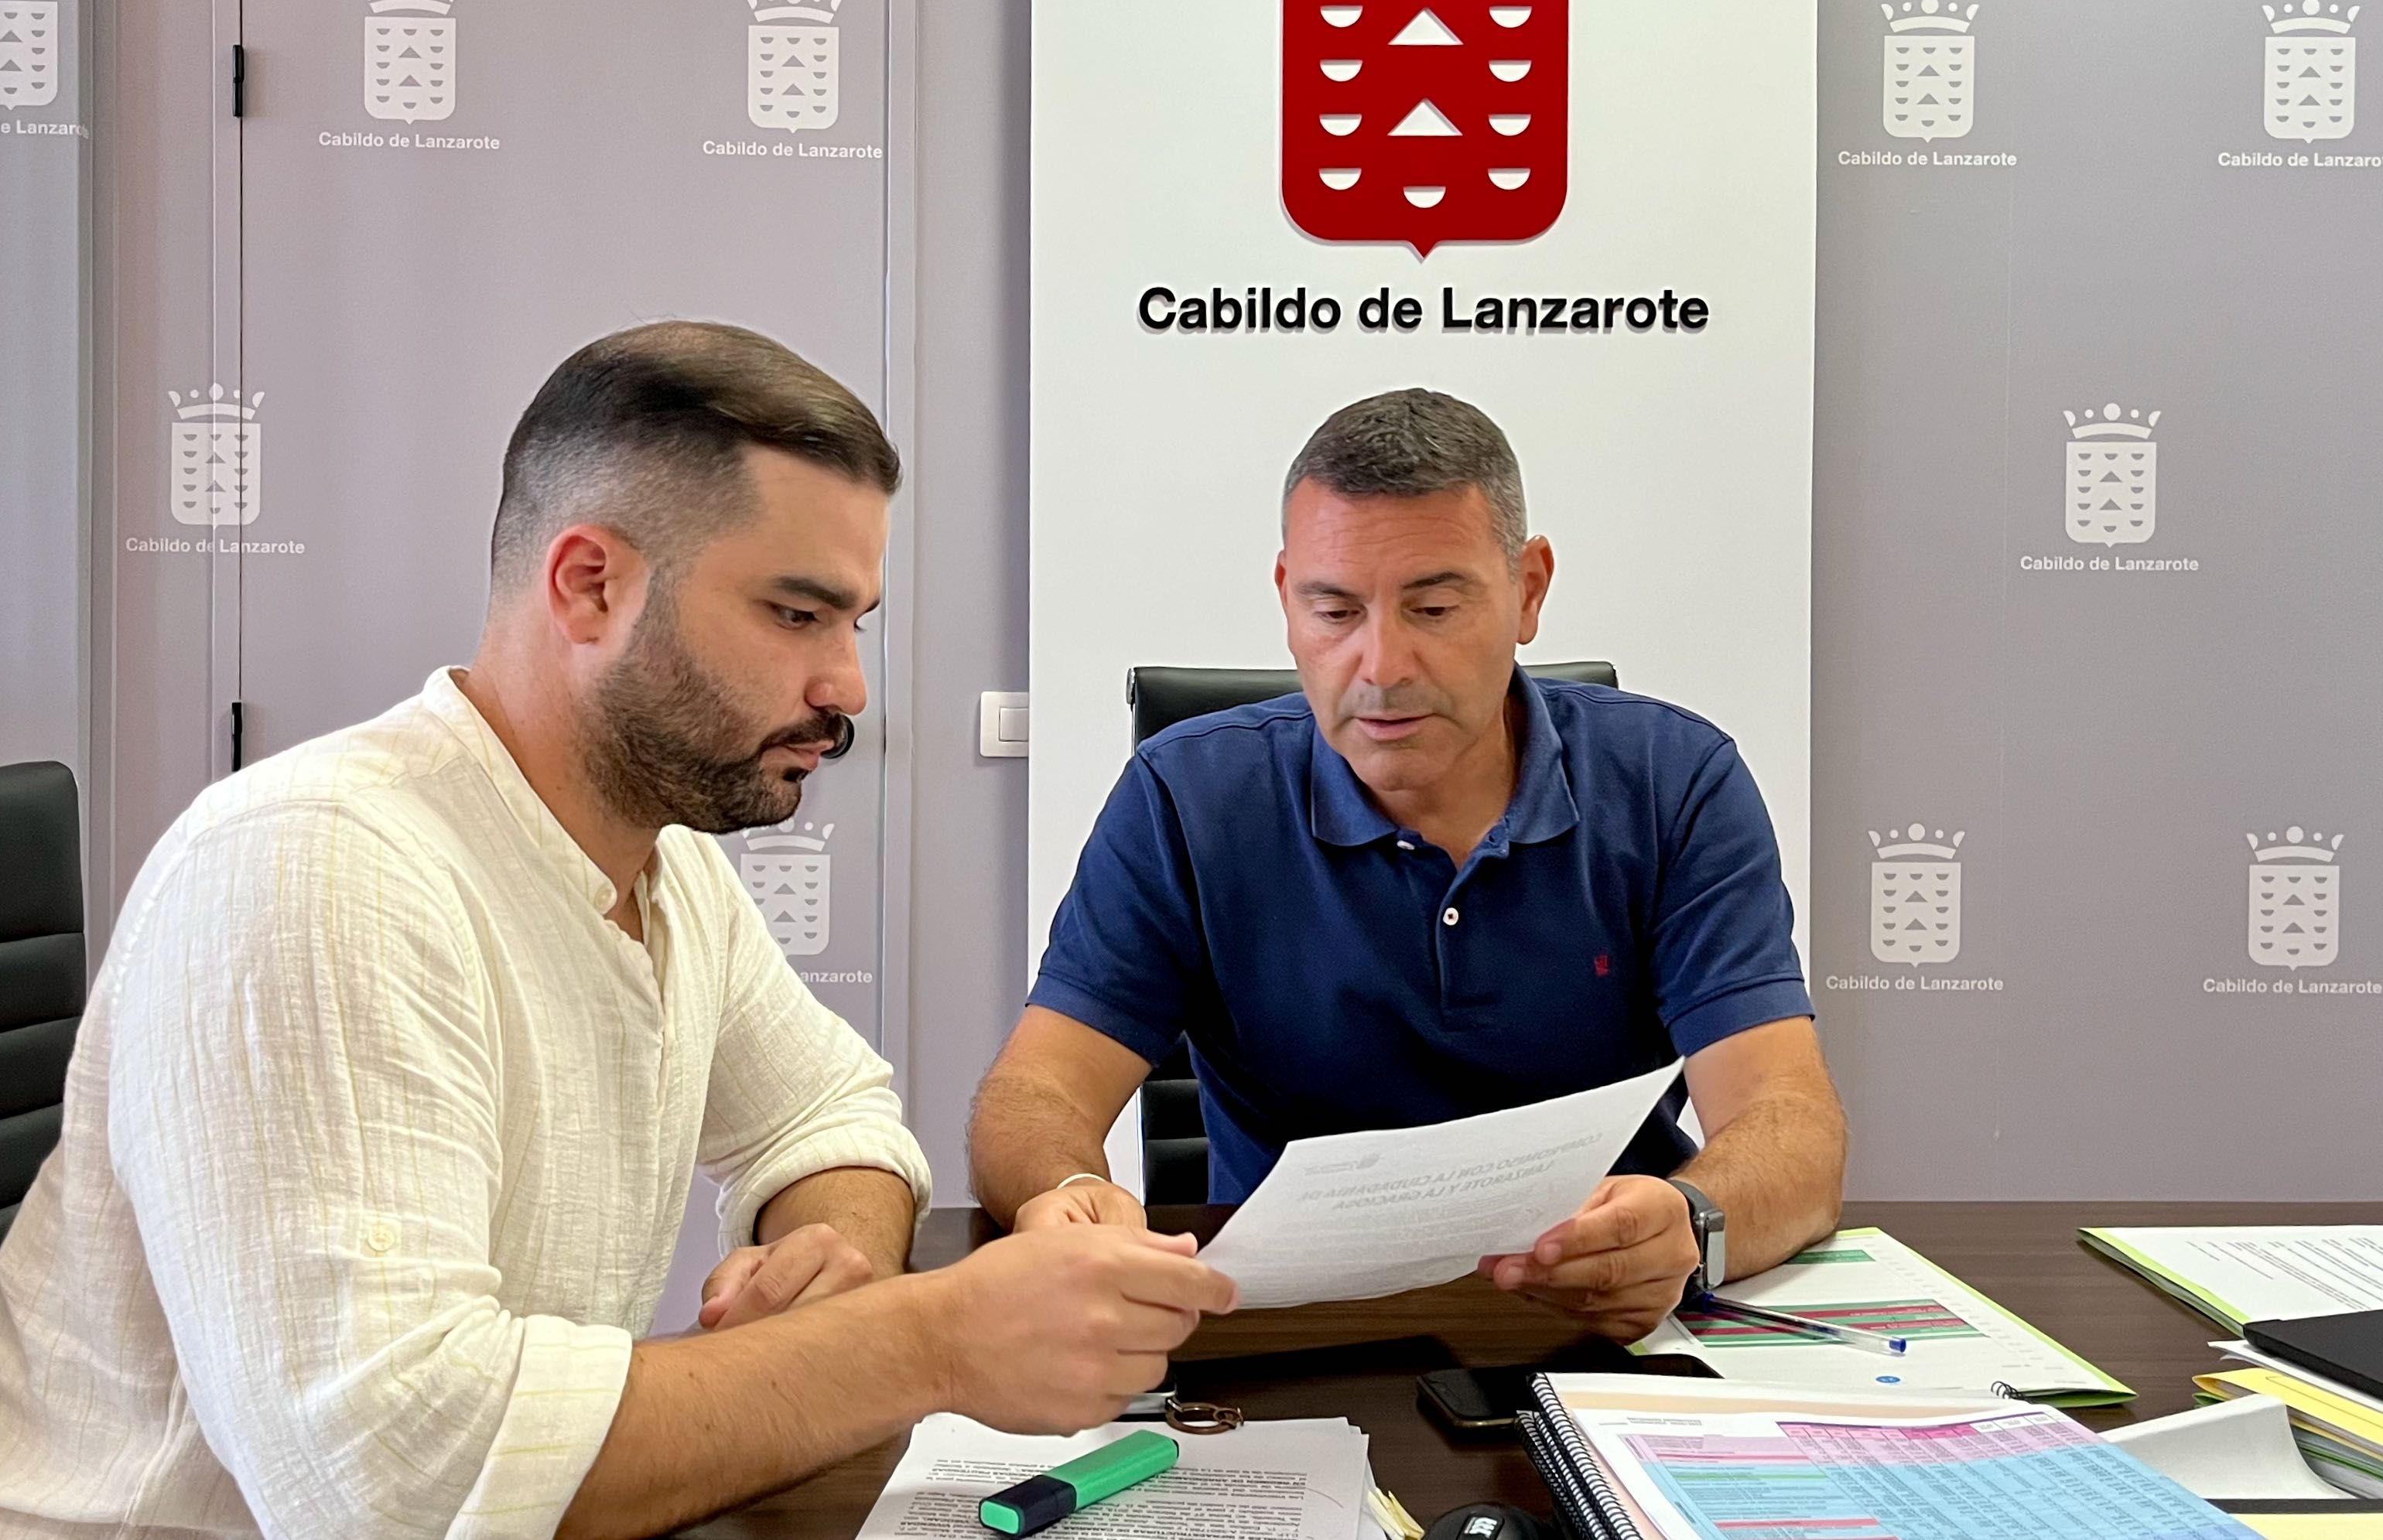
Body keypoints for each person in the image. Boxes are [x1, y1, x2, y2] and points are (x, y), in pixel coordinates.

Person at [0, 323, 1235, 1539]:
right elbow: (394, 1482)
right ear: (591, 583)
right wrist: (927, 1338)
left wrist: (825, 1263)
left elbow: (831, 1116)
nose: (849, 685)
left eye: (854, 620)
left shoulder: (666, 863)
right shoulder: (310, 867)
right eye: (797, 614)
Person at [970, 388, 1845, 1341]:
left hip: (1595, 1318)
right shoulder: (1186, 796)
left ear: (1528, 590)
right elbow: (1033, 1094)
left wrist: (1690, 1225)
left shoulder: (1676, 783)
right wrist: (1063, 1194)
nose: (1380, 663)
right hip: (1285, 1334)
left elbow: (1787, 1125)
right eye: (1334, 609)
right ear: (1284, 599)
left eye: (1431, 606)